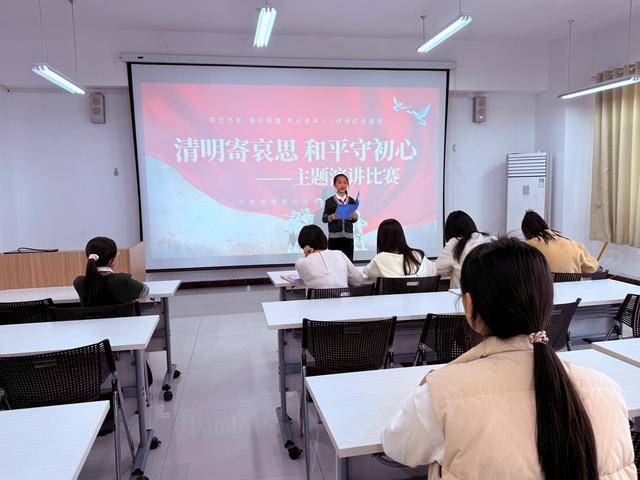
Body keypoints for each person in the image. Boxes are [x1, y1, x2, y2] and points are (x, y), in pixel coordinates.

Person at [381, 238, 635, 479]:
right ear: (546, 302)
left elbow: (397, 447)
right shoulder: (608, 389)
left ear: (469, 305)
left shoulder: (440, 394)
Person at [74, 236, 149, 307]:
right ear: (111, 261)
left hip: (92, 317)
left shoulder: (79, 283)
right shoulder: (123, 280)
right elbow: (145, 291)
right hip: (122, 317)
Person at [521, 210, 598, 274]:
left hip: (543, 287)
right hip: (571, 287)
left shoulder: (526, 247)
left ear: (526, 232)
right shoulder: (573, 245)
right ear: (546, 225)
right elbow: (591, 268)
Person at [434, 211, 494, 288]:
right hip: (493, 292)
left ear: (449, 230)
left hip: (464, 293)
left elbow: (437, 269)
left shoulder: (455, 243)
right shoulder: (491, 238)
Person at [363, 219, 436, 281]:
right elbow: (433, 271)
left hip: (390, 294)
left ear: (381, 239)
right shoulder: (418, 256)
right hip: (419, 294)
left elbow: (367, 273)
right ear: (401, 236)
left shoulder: (379, 259)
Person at [295, 225, 364, 289]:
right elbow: (358, 280)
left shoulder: (300, 263)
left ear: (305, 247)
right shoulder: (339, 254)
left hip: (317, 298)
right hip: (343, 298)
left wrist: (307, 254)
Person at [322, 174, 358, 261]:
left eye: (345, 183)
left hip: (348, 237)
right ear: (335, 185)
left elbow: (354, 219)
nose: (342, 185)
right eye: (339, 183)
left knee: (348, 262)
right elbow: (324, 218)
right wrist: (331, 217)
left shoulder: (351, 201)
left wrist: (354, 217)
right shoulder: (329, 201)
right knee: (334, 262)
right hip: (334, 238)